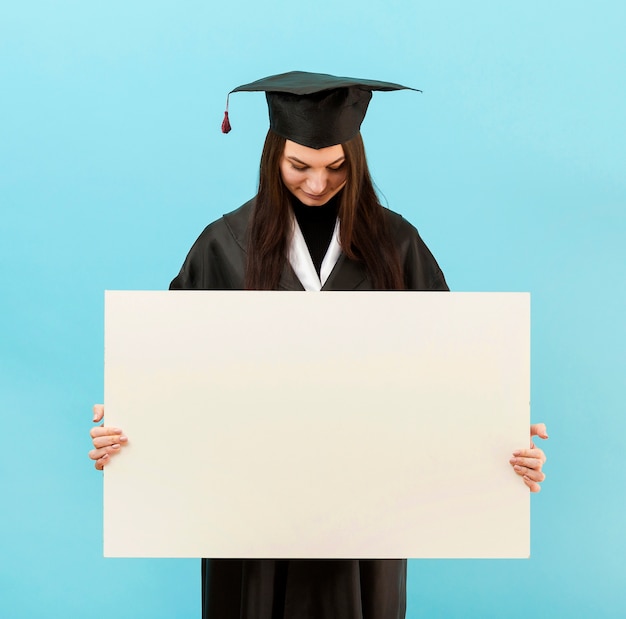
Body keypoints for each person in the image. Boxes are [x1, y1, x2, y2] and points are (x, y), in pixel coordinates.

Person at [89, 71, 548, 619]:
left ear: (355, 161)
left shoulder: (395, 243)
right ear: (272, 158)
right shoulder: (223, 244)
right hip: (245, 499)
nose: (315, 184)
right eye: (298, 166)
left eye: (336, 167)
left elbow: (452, 366)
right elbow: (168, 365)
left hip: (368, 496)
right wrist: (127, 420)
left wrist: (499, 432)